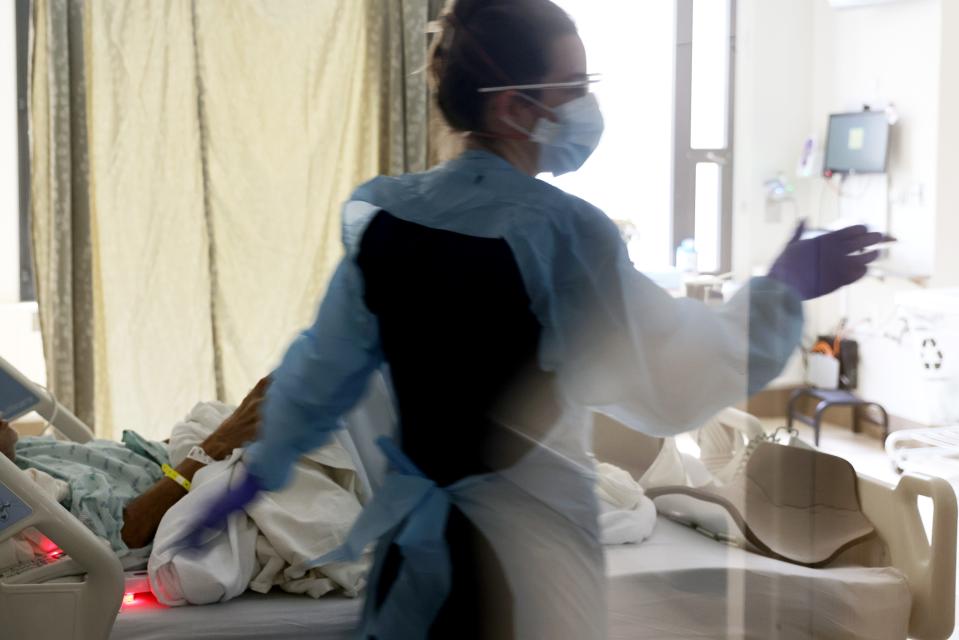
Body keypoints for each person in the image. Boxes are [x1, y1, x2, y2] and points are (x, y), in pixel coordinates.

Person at [184, 1, 888, 638]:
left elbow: (316, 373)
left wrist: (251, 479)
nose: (586, 106)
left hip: (411, 562)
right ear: (514, 109)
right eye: (574, 87)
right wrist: (782, 289)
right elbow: (675, 377)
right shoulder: (560, 236)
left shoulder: (388, 219)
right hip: (522, 569)